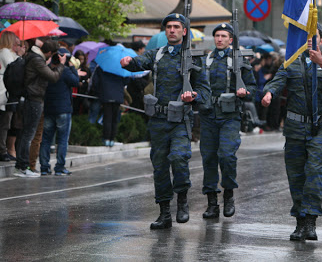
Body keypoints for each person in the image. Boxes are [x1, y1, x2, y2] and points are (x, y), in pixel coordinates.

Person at [121, 13, 211, 230]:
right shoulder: (157, 54)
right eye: (168, 27)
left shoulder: (194, 58)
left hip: (180, 120)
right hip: (159, 121)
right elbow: (139, 63)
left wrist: (194, 96)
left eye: (176, 27)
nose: (171, 30)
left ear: (184, 31)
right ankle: (164, 213)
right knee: (160, 167)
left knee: (179, 158)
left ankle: (182, 200)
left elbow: (206, 93)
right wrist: (128, 62)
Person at [261, 26, 322, 241]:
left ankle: (310, 221)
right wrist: (269, 93)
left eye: (314, 37)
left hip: (321, 128)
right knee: (296, 176)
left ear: (321, 39)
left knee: (314, 173)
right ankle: (299, 221)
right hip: (295, 129)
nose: (309, 41)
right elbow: (277, 82)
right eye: (306, 37)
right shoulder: (291, 63)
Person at [201, 23, 256, 219]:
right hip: (208, 115)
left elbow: (252, 87)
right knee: (208, 159)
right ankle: (211, 202)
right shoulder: (206, 60)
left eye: (224, 36)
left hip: (230, 116)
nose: (220, 39)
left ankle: (229, 194)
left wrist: (244, 92)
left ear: (231, 40)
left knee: (226, 156)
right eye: (217, 36)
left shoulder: (239, 61)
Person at [14, 39, 65, 178]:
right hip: (33, 99)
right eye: (53, 54)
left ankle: (21, 166)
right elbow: (53, 77)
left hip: (31, 98)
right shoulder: (37, 60)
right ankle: (23, 167)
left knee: (26, 134)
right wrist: (61, 65)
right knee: (28, 134)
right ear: (49, 52)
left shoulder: (34, 58)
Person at [40, 48, 79, 176]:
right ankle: (59, 167)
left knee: (46, 139)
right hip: (63, 110)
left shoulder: (47, 70)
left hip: (49, 108)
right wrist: (72, 67)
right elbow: (76, 82)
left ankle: (44, 167)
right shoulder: (66, 71)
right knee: (62, 140)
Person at [0, 31, 20, 161]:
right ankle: (2, 150)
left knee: (6, 123)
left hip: (5, 89)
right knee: (5, 123)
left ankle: (3, 149)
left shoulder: (5, 52)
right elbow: (14, 67)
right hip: (3, 91)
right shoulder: (4, 52)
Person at [92, 63, 128, 147]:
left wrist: (99, 92)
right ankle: (112, 139)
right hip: (118, 95)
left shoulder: (102, 66)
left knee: (107, 117)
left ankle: (106, 139)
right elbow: (126, 81)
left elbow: (95, 82)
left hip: (106, 95)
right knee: (114, 119)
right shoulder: (121, 67)